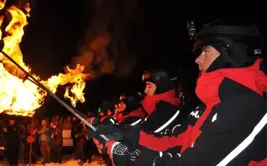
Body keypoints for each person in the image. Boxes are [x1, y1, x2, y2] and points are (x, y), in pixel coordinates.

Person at [91, 20, 267, 166]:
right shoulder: (211, 105)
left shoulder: (248, 106)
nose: (198, 59)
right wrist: (125, 135)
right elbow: (173, 142)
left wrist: (130, 157)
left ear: (233, 53)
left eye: (206, 51)